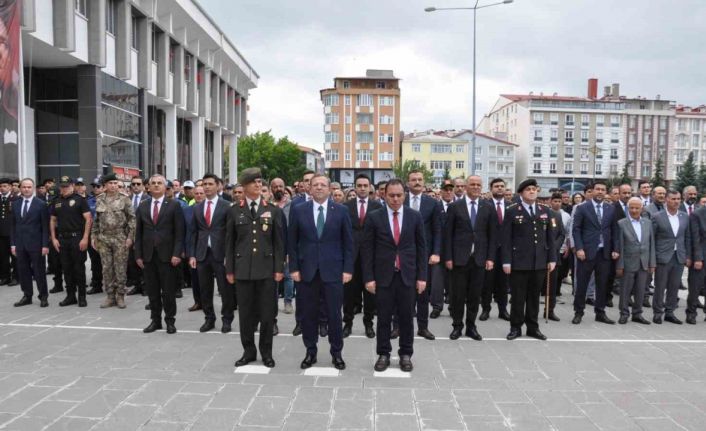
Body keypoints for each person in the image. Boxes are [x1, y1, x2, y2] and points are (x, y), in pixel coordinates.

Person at [289, 174, 352, 370]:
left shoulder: (341, 211)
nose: (318, 188)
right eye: (315, 184)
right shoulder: (299, 210)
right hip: (307, 271)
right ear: (309, 188)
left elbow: (348, 243)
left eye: (322, 185)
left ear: (330, 189)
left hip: (333, 271)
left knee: (334, 314)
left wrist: (348, 269)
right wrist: (294, 268)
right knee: (308, 314)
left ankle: (337, 353)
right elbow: (292, 242)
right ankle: (310, 352)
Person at [362, 179, 426, 372]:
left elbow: (422, 248)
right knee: (383, 317)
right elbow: (367, 250)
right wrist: (368, 278)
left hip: (407, 275)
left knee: (406, 317)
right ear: (384, 195)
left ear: (404, 195)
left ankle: (406, 354)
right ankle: (383, 353)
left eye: (399, 195)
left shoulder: (415, 217)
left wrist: (422, 277)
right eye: (391, 195)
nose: (396, 199)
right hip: (383, 277)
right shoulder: (374, 217)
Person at [226, 168, 285, 369]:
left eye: (260, 182)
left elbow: (279, 244)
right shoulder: (234, 210)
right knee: (246, 315)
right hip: (243, 271)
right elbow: (229, 243)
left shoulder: (273, 210)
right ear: (244, 186)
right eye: (253, 182)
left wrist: (279, 269)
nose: (258, 185)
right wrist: (230, 270)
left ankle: (266, 353)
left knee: (267, 314)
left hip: (267, 271)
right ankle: (248, 351)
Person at [503, 179, 557, 340]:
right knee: (518, 298)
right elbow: (506, 238)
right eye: (528, 189)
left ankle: (533, 327)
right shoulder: (512, 210)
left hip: (539, 262)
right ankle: (515, 327)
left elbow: (550, 238)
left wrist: (552, 258)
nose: (532, 191)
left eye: (534, 189)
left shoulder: (544, 210)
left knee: (534, 297)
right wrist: (506, 261)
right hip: (519, 262)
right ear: (521, 193)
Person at [443, 175, 495, 340]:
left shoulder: (488, 207)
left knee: (474, 295)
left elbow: (492, 235)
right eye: (472, 184)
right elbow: (448, 234)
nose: (475, 187)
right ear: (465, 186)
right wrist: (448, 257)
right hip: (459, 259)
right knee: (457, 295)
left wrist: (490, 258)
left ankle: (471, 326)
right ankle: (457, 326)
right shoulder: (455, 207)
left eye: (478, 185)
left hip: (479, 258)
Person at [135, 175, 184, 334]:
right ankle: (155, 321)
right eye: (153, 183)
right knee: (152, 290)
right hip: (148, 255)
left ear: (165, 187)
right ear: (148, 187)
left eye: (159, 183)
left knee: (168, 291)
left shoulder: (174, 205)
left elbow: (179, 232)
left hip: (167, 255)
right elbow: (139, 233)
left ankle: (170, 321)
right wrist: (138, 255)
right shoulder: (143, 206)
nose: (156, 186)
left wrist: (177, 253)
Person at [190, 174, 234, 333]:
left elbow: (231, 233)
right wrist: (192, 255)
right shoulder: (197, 207)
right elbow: (193, 232)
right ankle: (209, 318)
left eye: (210, 184)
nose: (207, 187)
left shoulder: (227, 206)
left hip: (221, 254)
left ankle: (227, 319)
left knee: (225, 289)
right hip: (202, 253)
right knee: (205, 289)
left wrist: (229, 256)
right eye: (204, 184)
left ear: (218, 186)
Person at [571, 180, 619, 325]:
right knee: (582, 284)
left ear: (606, 192)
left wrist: (616, 249)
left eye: (602, 190)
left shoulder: (610, 208)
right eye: (597, 189)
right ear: (592, 191)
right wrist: (579, 248)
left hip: (604, 253)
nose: (600, 192)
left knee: (602, 284)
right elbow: (576, 229)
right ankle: (578, 312)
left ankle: (600, 312)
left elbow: (615, 230)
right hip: (586, 252)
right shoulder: (582, 208)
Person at [401, 170, 442, 340]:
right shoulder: (399, 200)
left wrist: (436, 252)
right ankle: (398, 326)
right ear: (408, 182)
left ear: (424, 181)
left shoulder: (432, 203)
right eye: (413, 180)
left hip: (425, 254)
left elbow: (438, 230)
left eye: (419, 179)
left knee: (423, 292)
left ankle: (423, 327)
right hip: (403, 253)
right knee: (401, 291)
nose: (417, 182)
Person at [342, 174, 382, 338]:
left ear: (370, 187)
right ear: (355, 187)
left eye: (366, 185)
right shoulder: (345, 206)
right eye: (359, 185)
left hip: (370, 257)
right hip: (350, 256)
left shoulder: (378, 206)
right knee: (349, 293)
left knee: (370, 293)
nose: (363, 188)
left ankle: (369, 324)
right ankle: (348, 323)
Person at [91, 174, 135, 309]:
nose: (114, 185)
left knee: (120, 268)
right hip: (104, 239)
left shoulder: (125, 199)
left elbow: (132, 219)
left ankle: (120, 295)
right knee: (107, 268)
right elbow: (96, 220)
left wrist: (130, 237)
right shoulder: (99, 199)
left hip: (120, 238)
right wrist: (94, 236)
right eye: (111, 183)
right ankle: (110, 296)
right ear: (105, 185)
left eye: (115, 183)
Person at [49, 177, 92, 307]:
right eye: (62, 186)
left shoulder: (80, 200)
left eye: (67, 186)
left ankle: (82, 297)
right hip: (62, 239)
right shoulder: (56, 201)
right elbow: (52, 220)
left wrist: (85, 238)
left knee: (78, 268)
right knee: (66, 269)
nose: (64, 188)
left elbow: (88, 219)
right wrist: (54, 238)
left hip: (77, 238)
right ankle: (70, 296)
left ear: (72, 186)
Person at [651, 190, 690, 325]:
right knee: (660, 286)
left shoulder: (684, 216)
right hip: (663, 256)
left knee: (674, 286)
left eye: (678, 199)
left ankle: (670, 312)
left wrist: (687, 255)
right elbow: (653, 238)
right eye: (673, 199)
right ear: (667, 199)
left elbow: (687, 237)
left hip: (678, 256)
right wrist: (653, 258)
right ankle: (657, 313)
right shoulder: (657, 216)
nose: (676, 201)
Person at [11, 179, 50, 307]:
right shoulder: (15, 204)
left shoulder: (41, 204)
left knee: (39, 272)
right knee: (23, 271)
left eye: (29, 187)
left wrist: (45, 245)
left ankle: (43, 296)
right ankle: (27, 296)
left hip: (36, 244)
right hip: (20, 244)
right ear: (20, 188)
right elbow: (13, 226)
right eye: (24, 187)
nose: (26, 189)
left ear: (33, 188)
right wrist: (13, 244)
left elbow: (45, 227)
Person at [615, 197, 654, 325]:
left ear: (641, 208)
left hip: (644, 262)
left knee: (641, 290)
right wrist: (619, 265)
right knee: (625, 290)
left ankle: (637, 314)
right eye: (631, 207)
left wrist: (652, 263)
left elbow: (651, 244)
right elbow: (620, 246)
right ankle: (624, 313)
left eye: (637, 208)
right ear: (628, 208)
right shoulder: (621, 223)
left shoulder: (647, 223)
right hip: (627, 263)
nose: (634, 210)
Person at [480, 177, 511, 321]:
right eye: (496, 186)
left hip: (506, 251)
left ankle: (503, 310)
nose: (499, 188)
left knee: (503, 283)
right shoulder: (484, 205)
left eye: (502, 186)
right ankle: (486, 309)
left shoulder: (511, 206)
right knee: (487, 282)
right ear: (491, 188)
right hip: (488, 251)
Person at [546, 192, 569, 321]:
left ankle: (550, 310)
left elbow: (561, 233)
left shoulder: (557, 215)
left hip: (554, 255)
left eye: (559, 201)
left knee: (553, 285)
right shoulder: (543, 214)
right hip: (540, 254)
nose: (557, 203)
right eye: (554, 201)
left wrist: (555, 246)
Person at [183, 185, 205, 312]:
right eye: (196, 193)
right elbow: (184, 230)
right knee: (195, 277)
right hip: (192, 248)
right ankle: (198, 302)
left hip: (208, 247)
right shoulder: (186, 210)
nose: (199, 195)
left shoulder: (210, 208)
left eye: (201, 193)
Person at [127, 176, 148, 296]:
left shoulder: (148, 199)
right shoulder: (126, 199)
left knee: (143, 261)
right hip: (130, 235)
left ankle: (145, 286)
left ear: (143, 186)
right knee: (132, 262)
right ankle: (137, 285)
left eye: (138, 184)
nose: (135, 186)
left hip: (144, 235)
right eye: (133, 184)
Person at [688, 202, 706, 324]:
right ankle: (691, 313)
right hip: (701, 258)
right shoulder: (697, 215)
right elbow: (695, 238)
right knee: (695, 288)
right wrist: (698, 258)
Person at [85, 178, 104, 295]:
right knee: (95, 261)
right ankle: (97, 284)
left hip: (107, 235)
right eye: (94, 186)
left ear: (103, 187)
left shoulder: (108, 200)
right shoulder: (89, 201)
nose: (96, 188)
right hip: (93, 236)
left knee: (108, 262)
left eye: (98, 186)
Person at [0, 177, 17, 286]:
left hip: (12, 232)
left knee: (15, 256)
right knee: (2, 256)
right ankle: (5, 276)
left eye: (5, 186)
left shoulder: (15, 199)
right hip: (1, 233)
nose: (2, 188)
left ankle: (16, 277)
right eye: (1, 186)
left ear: (10, 187)